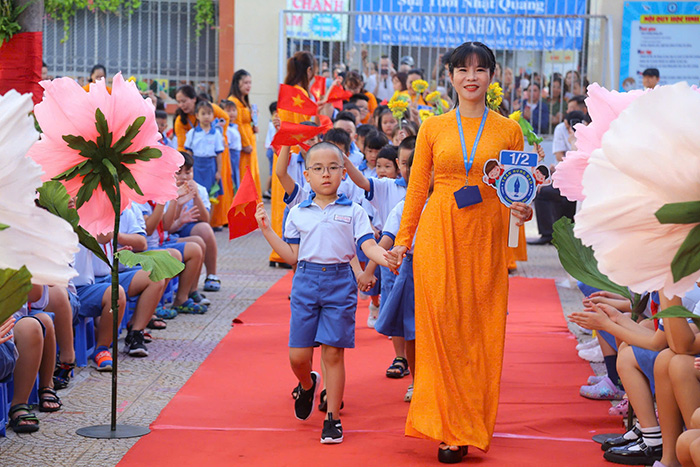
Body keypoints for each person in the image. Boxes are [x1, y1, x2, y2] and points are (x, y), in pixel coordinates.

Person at [386, 41, 532, 463]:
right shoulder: (433, 128)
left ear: (491, 76)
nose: (471, 77)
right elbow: (416, 190)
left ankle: (471, 422)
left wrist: (523, 210)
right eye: (463, 69)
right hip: (440, 236)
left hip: (486, 239)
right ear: (449, 75)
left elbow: (517, 191)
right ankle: (449, 428)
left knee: (481, 334)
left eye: (480, 69)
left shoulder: (508, 129)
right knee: (441, 332)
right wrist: (401, 242)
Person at [254, 141, 391, 444]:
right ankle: (307, 383)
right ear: (307, 175)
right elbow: (291, 255)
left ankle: (333, 418)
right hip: (305, 282)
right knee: (298, 356)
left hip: (340, 284)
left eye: (332, 168)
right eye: (318, 169)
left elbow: (367, 245)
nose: (325, 174)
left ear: (344, 173)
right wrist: (266, 231)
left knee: (332, 352)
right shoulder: (297, 212)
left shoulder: (354, 211)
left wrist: (384, 258)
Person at [174, 84, 233, 228]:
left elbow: (225, 117)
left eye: (184, 101)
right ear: (198, 116)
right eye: (179, 102)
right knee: (194, 190)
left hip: (211, 161)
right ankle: (193, 219)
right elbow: (183, 146)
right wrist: (185, 166)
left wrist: (221, 135)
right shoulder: (183, 123)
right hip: (195, 162)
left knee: (213, 194)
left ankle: (213, 221)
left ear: (193, 99)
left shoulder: (210, 112)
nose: (182, 105)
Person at [165, 152, 220, 293]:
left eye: (188, 172)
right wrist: (177, 203)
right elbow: (167, 226)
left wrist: (196, 197)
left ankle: (211, 275)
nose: (184, 177)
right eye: (179, 173)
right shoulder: (165, 190)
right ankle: (188, 289)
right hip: (170, 230)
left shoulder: (199, 189)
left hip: (188, 226)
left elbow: (205, 218)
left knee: (205, 229)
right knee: (196, 243)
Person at [227, 70, 261, 196]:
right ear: (237, 83)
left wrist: (254, 126)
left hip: (250, 143)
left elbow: (245, 123)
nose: (248, 86)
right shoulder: (234, 101)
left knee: (251, 173)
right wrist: (245, 144)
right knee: (244, 175)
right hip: (242, 147)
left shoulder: (243, 101)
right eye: (245, 82)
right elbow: (238, 125)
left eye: (250, 83)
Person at [184, 101, 224, 200]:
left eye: (209, 113)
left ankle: (209, 215)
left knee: (211, 194)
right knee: (195, 192)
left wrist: (219, 171)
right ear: (197, 115)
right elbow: (189, 153)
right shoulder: (192, 133)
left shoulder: (216, 133)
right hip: (196, 165)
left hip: (210, 165)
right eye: (203, 113)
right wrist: (187, 170)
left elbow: (219, 155)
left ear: (213, 116)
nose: (206, 116)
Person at [222, 99, 242, 191]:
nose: (232, 113)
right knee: (233, 173)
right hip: (232, 153)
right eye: (228, 111)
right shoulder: (227, 128)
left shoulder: (234, 126)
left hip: (237, 154)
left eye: (234, 110)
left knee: (236, 173)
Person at [263, 101, 278, 199]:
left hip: (270, 149)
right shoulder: (274, 124)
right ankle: (266, 191)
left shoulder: (271, 123)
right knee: (272, 171)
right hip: (272, 149)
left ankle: (267, 191)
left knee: (272, 171)